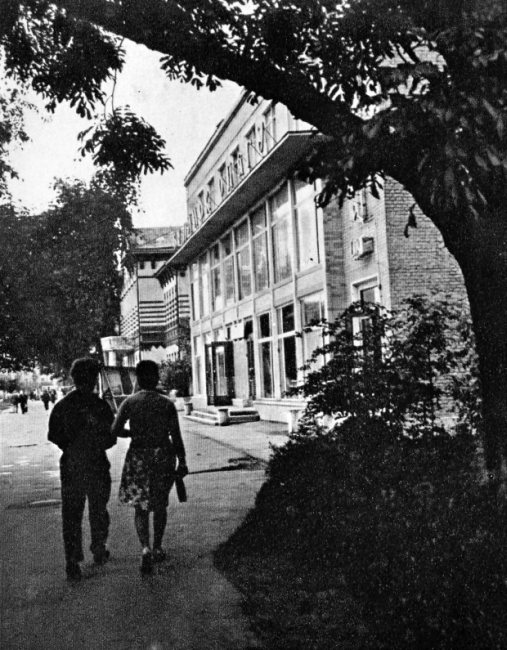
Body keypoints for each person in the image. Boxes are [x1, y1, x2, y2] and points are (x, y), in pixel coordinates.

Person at [112, 360, 188, 574]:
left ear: (137, 378)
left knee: (141, 505)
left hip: (138, 455)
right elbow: (176, 435)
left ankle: (145, 548)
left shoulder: (129, 402)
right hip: (163, 454)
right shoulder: (166, 404)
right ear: (156, 378)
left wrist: (132, 433)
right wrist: (182, 460)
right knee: (160, 503)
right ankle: (158, 547)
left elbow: (115, 430)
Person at [48, 358, 115, 580]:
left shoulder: (63, 406)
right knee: (98, 508)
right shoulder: (100, 406)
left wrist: (70, 446)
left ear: (74, 378)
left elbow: (54, 435)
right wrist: (96, 443)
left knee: (71, 514)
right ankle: (98, 546)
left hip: (72, 465)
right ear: (94, 379)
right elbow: (111, 437)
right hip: (96, 463)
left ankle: (72, 560)